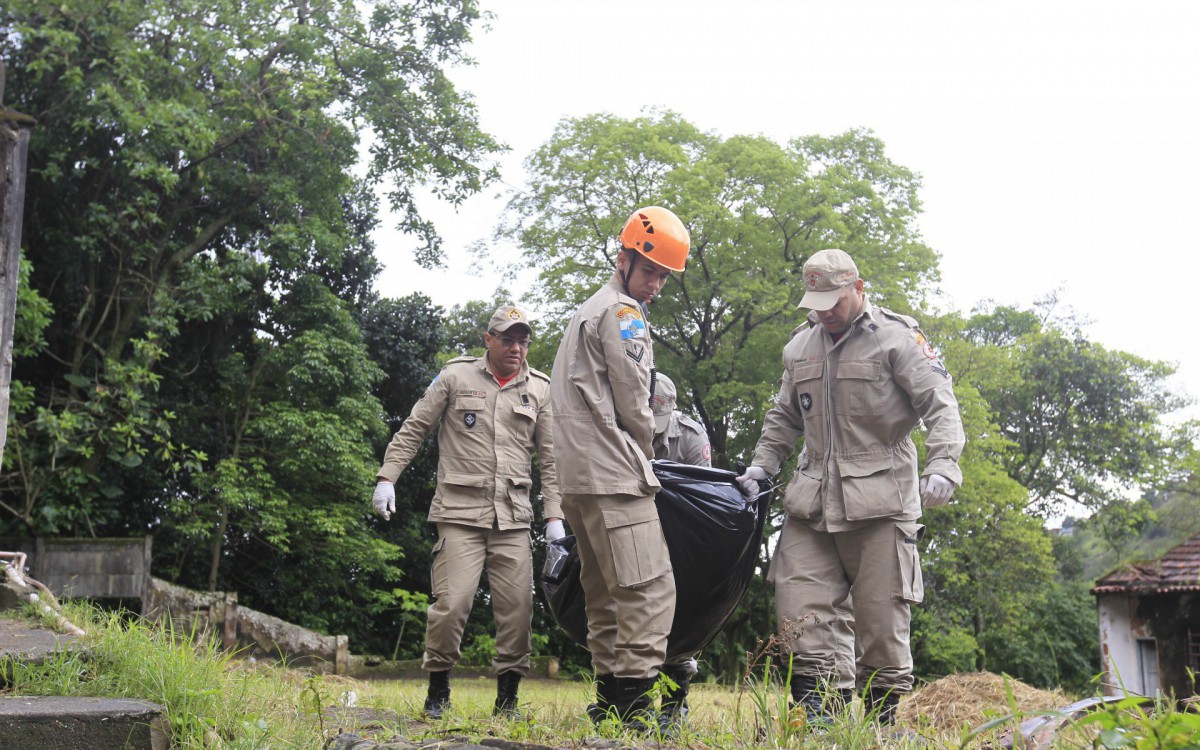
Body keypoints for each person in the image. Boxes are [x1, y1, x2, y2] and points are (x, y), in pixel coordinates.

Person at [737, 248, 964, 728]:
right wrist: (762, 465)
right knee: (798, 608)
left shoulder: (896, 339)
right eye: (814, 302)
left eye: (832, 301)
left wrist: (944, 464)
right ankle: (821, 720)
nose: (823, 312)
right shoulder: (800, 347)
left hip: (881, 499)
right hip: (812, 501)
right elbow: (783, 417)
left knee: (882, 622)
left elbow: (940, 404)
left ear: (857, 289)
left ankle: (879, 727)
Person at [371, 305, 562, 719]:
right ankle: (438, 690)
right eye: (508, 339)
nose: (516, 348)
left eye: (523, 341)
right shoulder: (455, 376)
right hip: (459, 512)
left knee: (518, 610)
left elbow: (550, 460)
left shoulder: (542, 390)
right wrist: (387, 478)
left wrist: (554, 519)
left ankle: (507, 701)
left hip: (513, 519)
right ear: (488, 339)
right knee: (451, 604)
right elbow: (414, 428)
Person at [549, 206, 690, 728]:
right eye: (650, 270)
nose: (655, 284)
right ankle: (632, 708)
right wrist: (646, 452)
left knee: (605, 594)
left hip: (579, 477)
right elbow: (635, 401)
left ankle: (609, 700)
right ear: (624, 258)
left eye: (663, 276)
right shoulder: (622, 312)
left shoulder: (588, 309)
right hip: (612, 471)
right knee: (649, 589)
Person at [650, 372, 711, 468]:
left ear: (672, 407)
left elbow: (701, 481)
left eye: (655, 419)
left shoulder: (691, 437)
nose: (650, 428)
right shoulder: (620, 425)